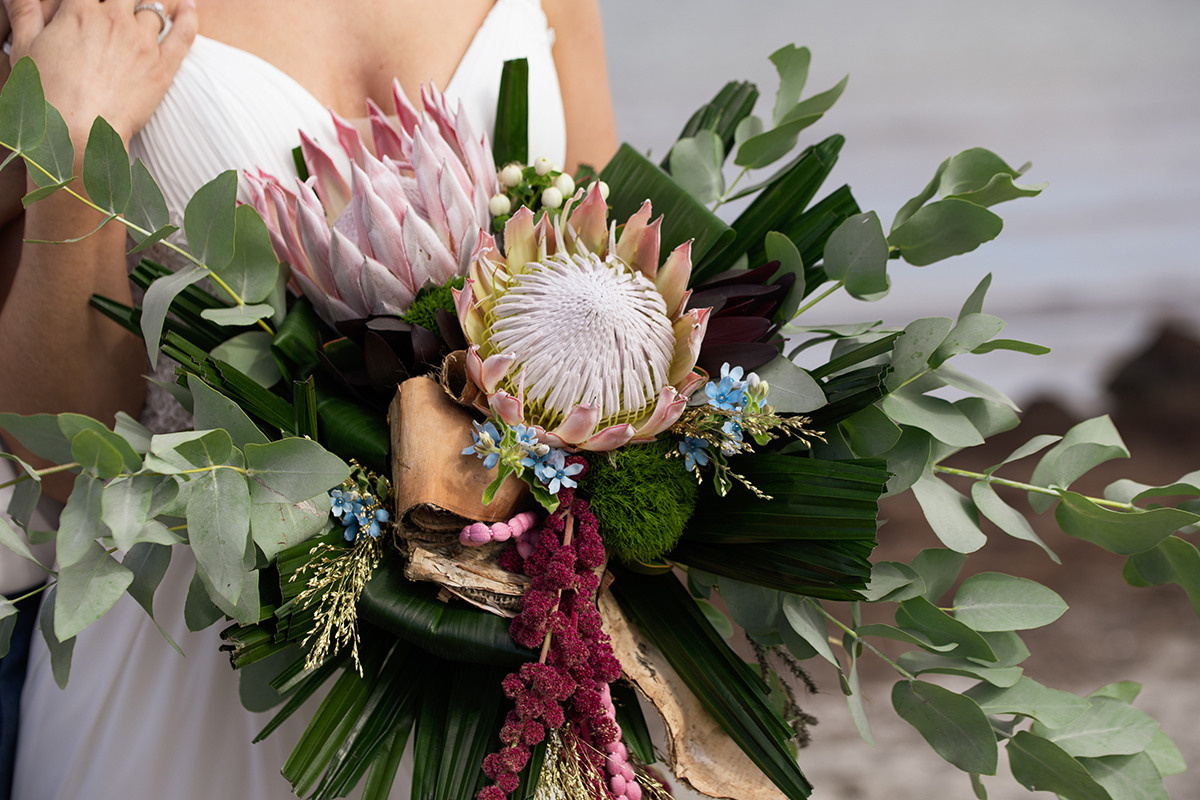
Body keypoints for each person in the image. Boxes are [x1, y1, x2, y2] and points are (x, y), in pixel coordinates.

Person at [0, 0, 617, 797]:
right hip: (191, 657)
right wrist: (73, 155)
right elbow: (56, 462)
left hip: (506, 654)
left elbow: (605, 270)